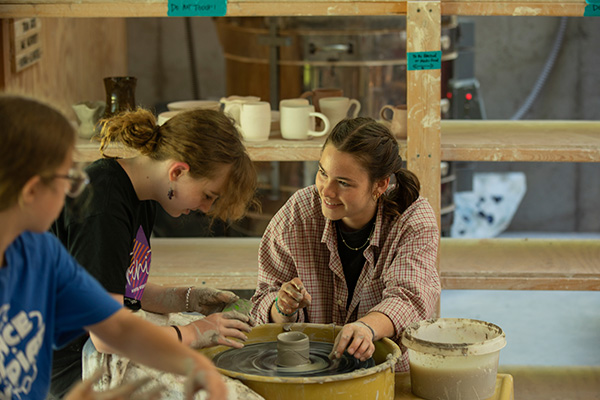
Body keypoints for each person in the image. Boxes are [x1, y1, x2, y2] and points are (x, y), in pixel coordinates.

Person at [0, 94, 226, 399]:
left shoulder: (45, 256)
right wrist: (193, 335)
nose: (77, 189)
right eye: (69, 178)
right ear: (31, 191)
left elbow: (115, 322)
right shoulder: (101, 204)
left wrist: (195, 360)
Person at [49, 106, 258, 398]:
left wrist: (188, 298)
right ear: (177, 171)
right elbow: (106, 335)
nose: (207, 208)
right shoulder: (103, 205)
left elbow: (123, 290)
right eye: (208, 195)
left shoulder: (142, 194)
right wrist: (194, 333)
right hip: (64, 365)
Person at [250, 117, 441, 370]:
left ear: (380, 184)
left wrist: (366, 327)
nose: (326, 191)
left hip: (387, 374)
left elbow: (409, 299)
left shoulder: (413, 219)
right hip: (307, 372)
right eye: (322, 173)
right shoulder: (296, 215)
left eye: (343, 183)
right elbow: (261, 304)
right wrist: (282, 307)